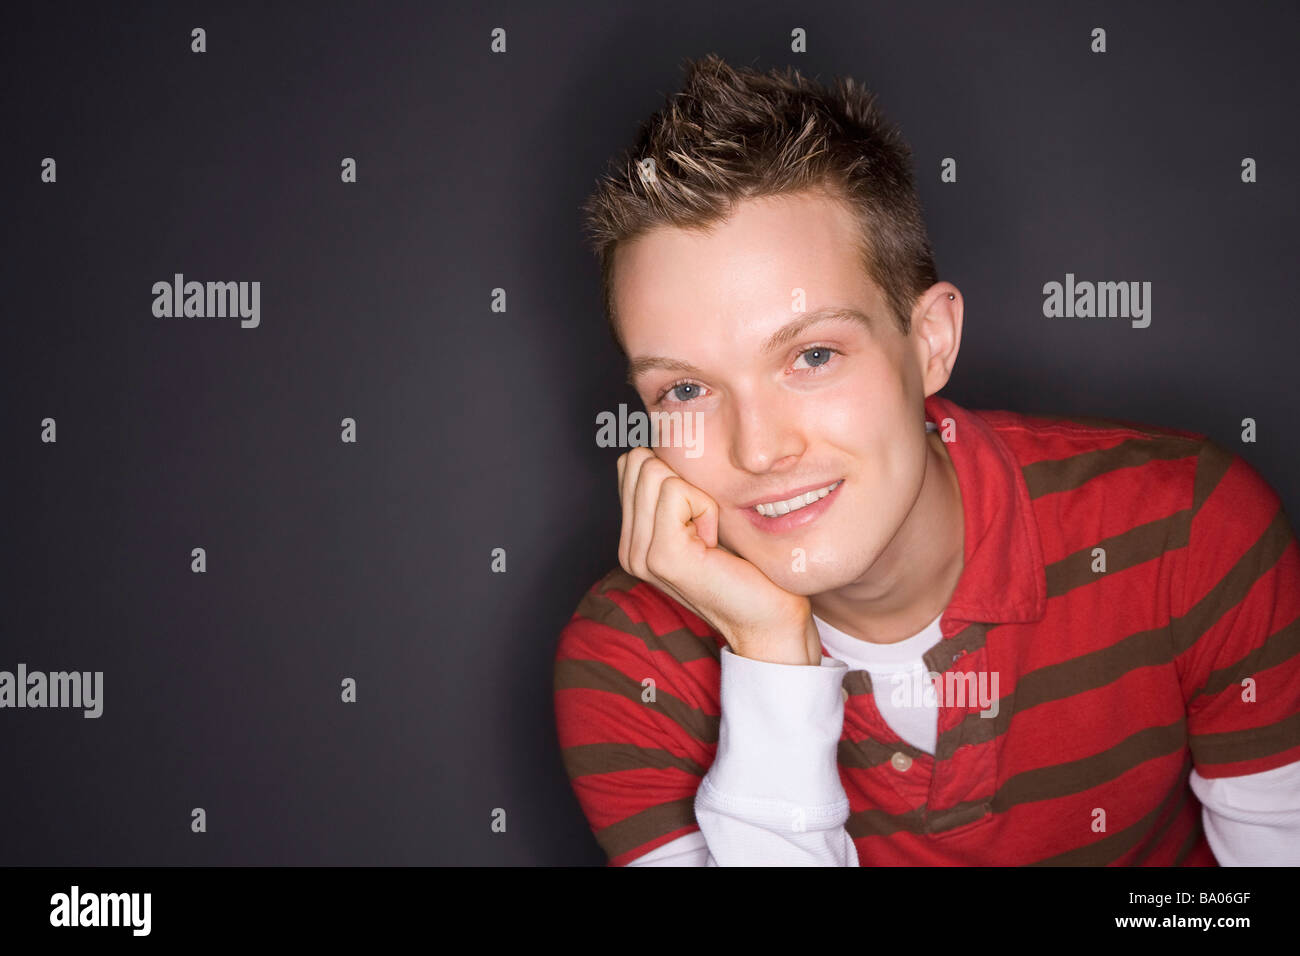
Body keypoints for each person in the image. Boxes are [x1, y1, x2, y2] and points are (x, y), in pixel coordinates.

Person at [553, 53, 1300, 865]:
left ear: (930, 342)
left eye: (811, 357)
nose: (760, 449)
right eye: (687, 391)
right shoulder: (628, 667)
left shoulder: (1186, 529)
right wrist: (769, 654)